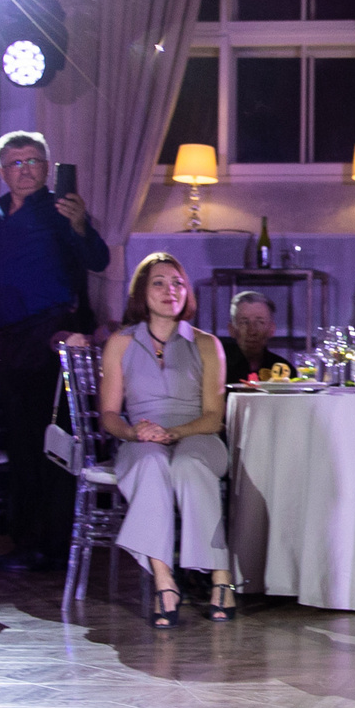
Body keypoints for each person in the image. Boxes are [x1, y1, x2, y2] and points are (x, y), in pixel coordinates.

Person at [0, 131, 110, 575]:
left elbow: (98, 259)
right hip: (9, 344)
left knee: (51, 446)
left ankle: (53, 546)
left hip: (49, 338)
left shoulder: (58, 211)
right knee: (21, 446)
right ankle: (28, 541)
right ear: (2, 171)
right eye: (16, 163)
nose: (25, 169)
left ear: (47, 167)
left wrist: (81, 224)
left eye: (33, 161)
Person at [99, 253, 234, 627]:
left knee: (189, 464)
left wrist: (175, 433)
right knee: (151, 462)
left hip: (197, 435)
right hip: (142, 437)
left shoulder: (207, 344)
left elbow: (213, 416)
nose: (169, 290)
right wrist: (134, 432)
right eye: (158, 282)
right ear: (142, 292)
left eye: (177, 282)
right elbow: (109, 415)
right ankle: (164, 580)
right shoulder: (121, 344)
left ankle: (220, 576)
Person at [221, 291, 293, 382]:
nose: (252, 331)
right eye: (244, 322)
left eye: (260, 322)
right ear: (231, 329)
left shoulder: (284, 370)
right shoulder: (216, 367)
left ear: (272, 329)